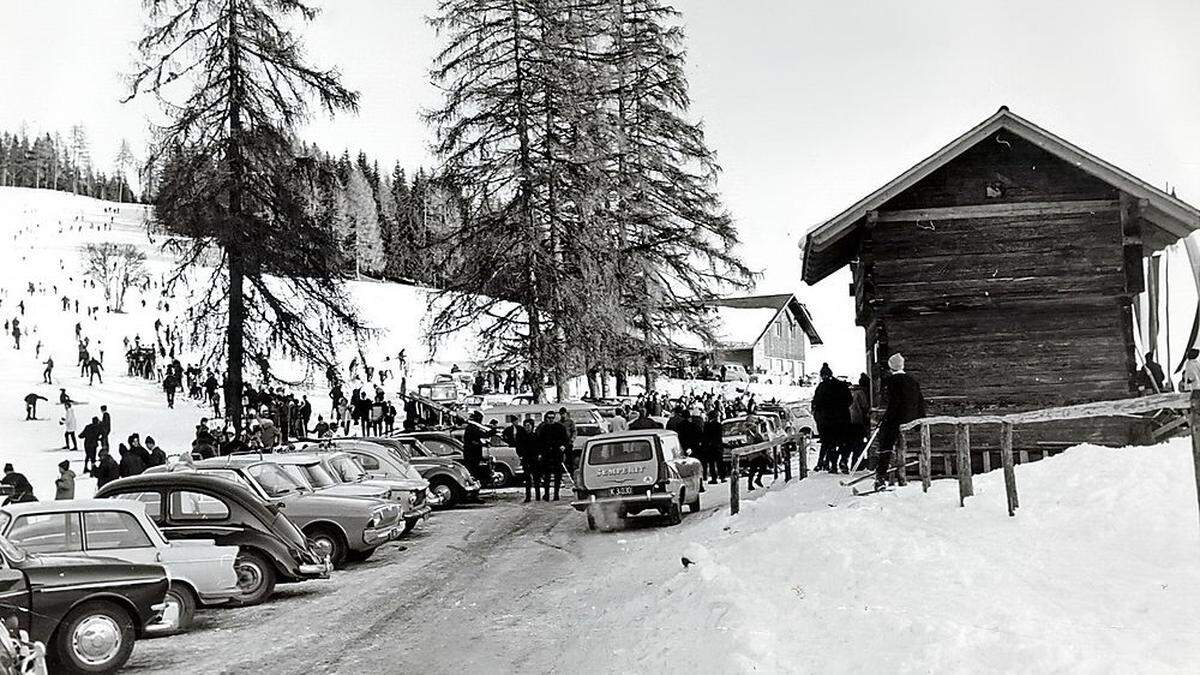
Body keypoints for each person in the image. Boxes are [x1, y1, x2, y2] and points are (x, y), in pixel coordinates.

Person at [876, 353, 926, 490]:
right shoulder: (912, 380)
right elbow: (921, 402)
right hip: (912, 419)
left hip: (897, 418)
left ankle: (880, 476)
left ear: (891, 367)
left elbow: (894, 403)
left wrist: (886, 419)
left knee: (885, 442)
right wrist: (920, 420)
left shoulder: (892, 381)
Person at [811, 363, 852, 473]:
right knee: (845, 442)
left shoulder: (821, 387)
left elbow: (816, 404)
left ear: (823, 375)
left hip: (827, 421)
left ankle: (833, 466)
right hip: (842, 419)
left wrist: (820, 418)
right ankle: (843, 461)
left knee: (830, 444)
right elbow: (849, 400)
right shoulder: (842, 385)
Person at [535, 411, 570, 501]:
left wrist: (563, 446)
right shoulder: (543, 428)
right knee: (546, 476)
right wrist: (539, 453)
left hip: (557, 454)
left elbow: (566, 439)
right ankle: (546, 494)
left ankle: (556, 495)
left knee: (558, 476)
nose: (550, 420)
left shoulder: (560, 427)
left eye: (552, 418)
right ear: (546, 418)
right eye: (549, 418)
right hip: (546, 455)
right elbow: (538, 441)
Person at [843, 373, 871, 473]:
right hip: (858, 421)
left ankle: (844, 460)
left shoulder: (851, 391)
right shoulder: (861, 393)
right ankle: (856, 464)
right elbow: (865, 407)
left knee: (850, 443)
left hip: (848, 421)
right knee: (859, 443)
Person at [462, 411, 494, 486]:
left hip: (472, 453)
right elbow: (483, 435)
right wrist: (492, 431)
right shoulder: (472, 427)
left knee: (474, 471)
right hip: (471, 454)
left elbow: (477, 440)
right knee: (473, 472)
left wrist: (484, 443)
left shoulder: (472, 427)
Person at [703, 408, 726, 484]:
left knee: (712, 463)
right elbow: (720, 436)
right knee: (720, 462)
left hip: (710, 447)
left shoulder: (707, 426)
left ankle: (714, 478)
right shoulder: (719, 425)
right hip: (718, 446)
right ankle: (722, 477)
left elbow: (705, 437)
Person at [558, 408, 578, 473]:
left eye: (563, 413)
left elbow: (574, 431)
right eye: (561, 414)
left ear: (566, 413)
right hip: (561, 443)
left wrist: (572, 439)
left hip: (568, 443)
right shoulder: (559, 423)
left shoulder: (570, 422)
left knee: (569, 458)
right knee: (560, 458)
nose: (562, 415)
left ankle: (571, 471)